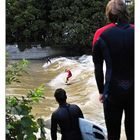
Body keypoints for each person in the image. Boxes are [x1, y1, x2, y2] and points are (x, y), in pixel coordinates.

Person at [92, 0, 134, 140]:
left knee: (113, 134)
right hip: (135, 91)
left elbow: (98, 67)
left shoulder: (100, 34)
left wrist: (101, 91)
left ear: (108, 14)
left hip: (112, 91)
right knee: (133, 132)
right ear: (125, 13)